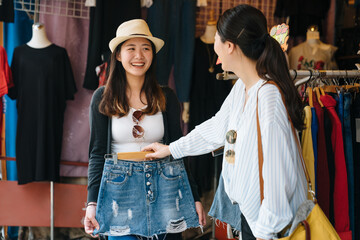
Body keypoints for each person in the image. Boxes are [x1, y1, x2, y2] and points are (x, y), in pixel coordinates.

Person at [143, 4, 308, 240]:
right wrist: (171, 149)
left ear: (230, 46)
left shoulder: (268, 98)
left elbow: (278, 175)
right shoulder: (243, 87)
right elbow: (217, 128)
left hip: (267, 228)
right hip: (251, 220)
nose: (214, 46)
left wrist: (265, 232)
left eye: (217, 38)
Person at [84, 19, 206, 240]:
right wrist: (92, 203)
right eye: (131, 48)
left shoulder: (166, 96)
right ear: (119, 55)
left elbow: (177, 151)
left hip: (165, 191)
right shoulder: (103, 98)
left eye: (146, 48)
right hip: (120, 194)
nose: (139, 56)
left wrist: (194, 196)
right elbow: (96, 154)